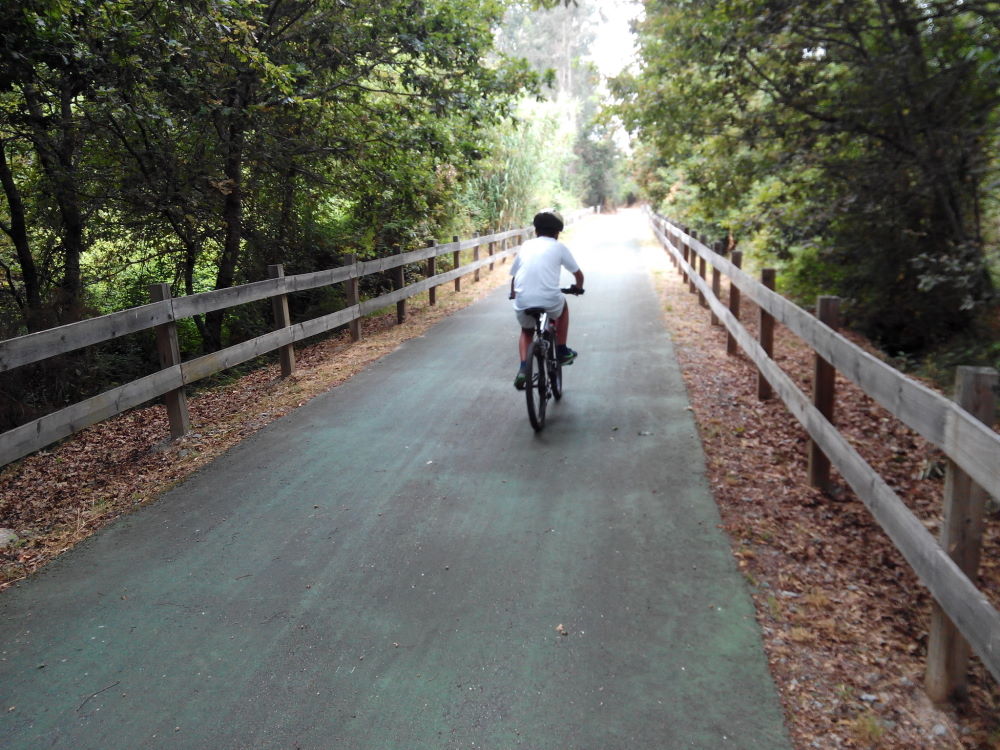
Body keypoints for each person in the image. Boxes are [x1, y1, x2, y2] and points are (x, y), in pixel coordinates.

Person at [509, 209, 585, 390]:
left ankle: (522, 369)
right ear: (557, 232)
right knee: (563, 307)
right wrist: (578, 288)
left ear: (536, 231)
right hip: (550, 298)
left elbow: (514, 275)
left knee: (527, 332)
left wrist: (513, 293)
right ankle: (561, 350)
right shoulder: (559, 247)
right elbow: (578, 275)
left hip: (523, 299)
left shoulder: (527, 245)